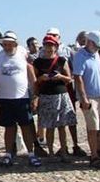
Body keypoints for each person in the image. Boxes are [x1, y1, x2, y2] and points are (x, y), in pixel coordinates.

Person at [0, 31, 40, 167]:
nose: (7, 47)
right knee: (9, 128)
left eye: (9, 44)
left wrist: (35, 96)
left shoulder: (23, 54)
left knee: (26, 127)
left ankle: (31, 154)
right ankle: (8, 154)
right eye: (4, 44)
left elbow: (32, 76)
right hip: (5, 99)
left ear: (15, 44)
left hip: (22, 97)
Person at [72, 31, 100, 169]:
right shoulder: (80, 56)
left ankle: (98, 148)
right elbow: (78, 77)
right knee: (93, 128)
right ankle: (94, 156)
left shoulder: (97, 54)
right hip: (90, 97)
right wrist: (84, 98)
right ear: (90, 42)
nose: (99, 48)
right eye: (97, 45)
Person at [32, 34, 77, 163]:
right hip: (46, 96)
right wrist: (42, 78)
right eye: (47, 45)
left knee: (62, 126)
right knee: (49, 126)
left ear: (56, 47)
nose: (49, 48)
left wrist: (60, 77)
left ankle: (64, 151)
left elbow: (69, 79)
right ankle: (51, 152)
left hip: (61, 95)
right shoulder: (38, 62)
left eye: (52, 45)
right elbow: (35, 81)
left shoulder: (61, 60)